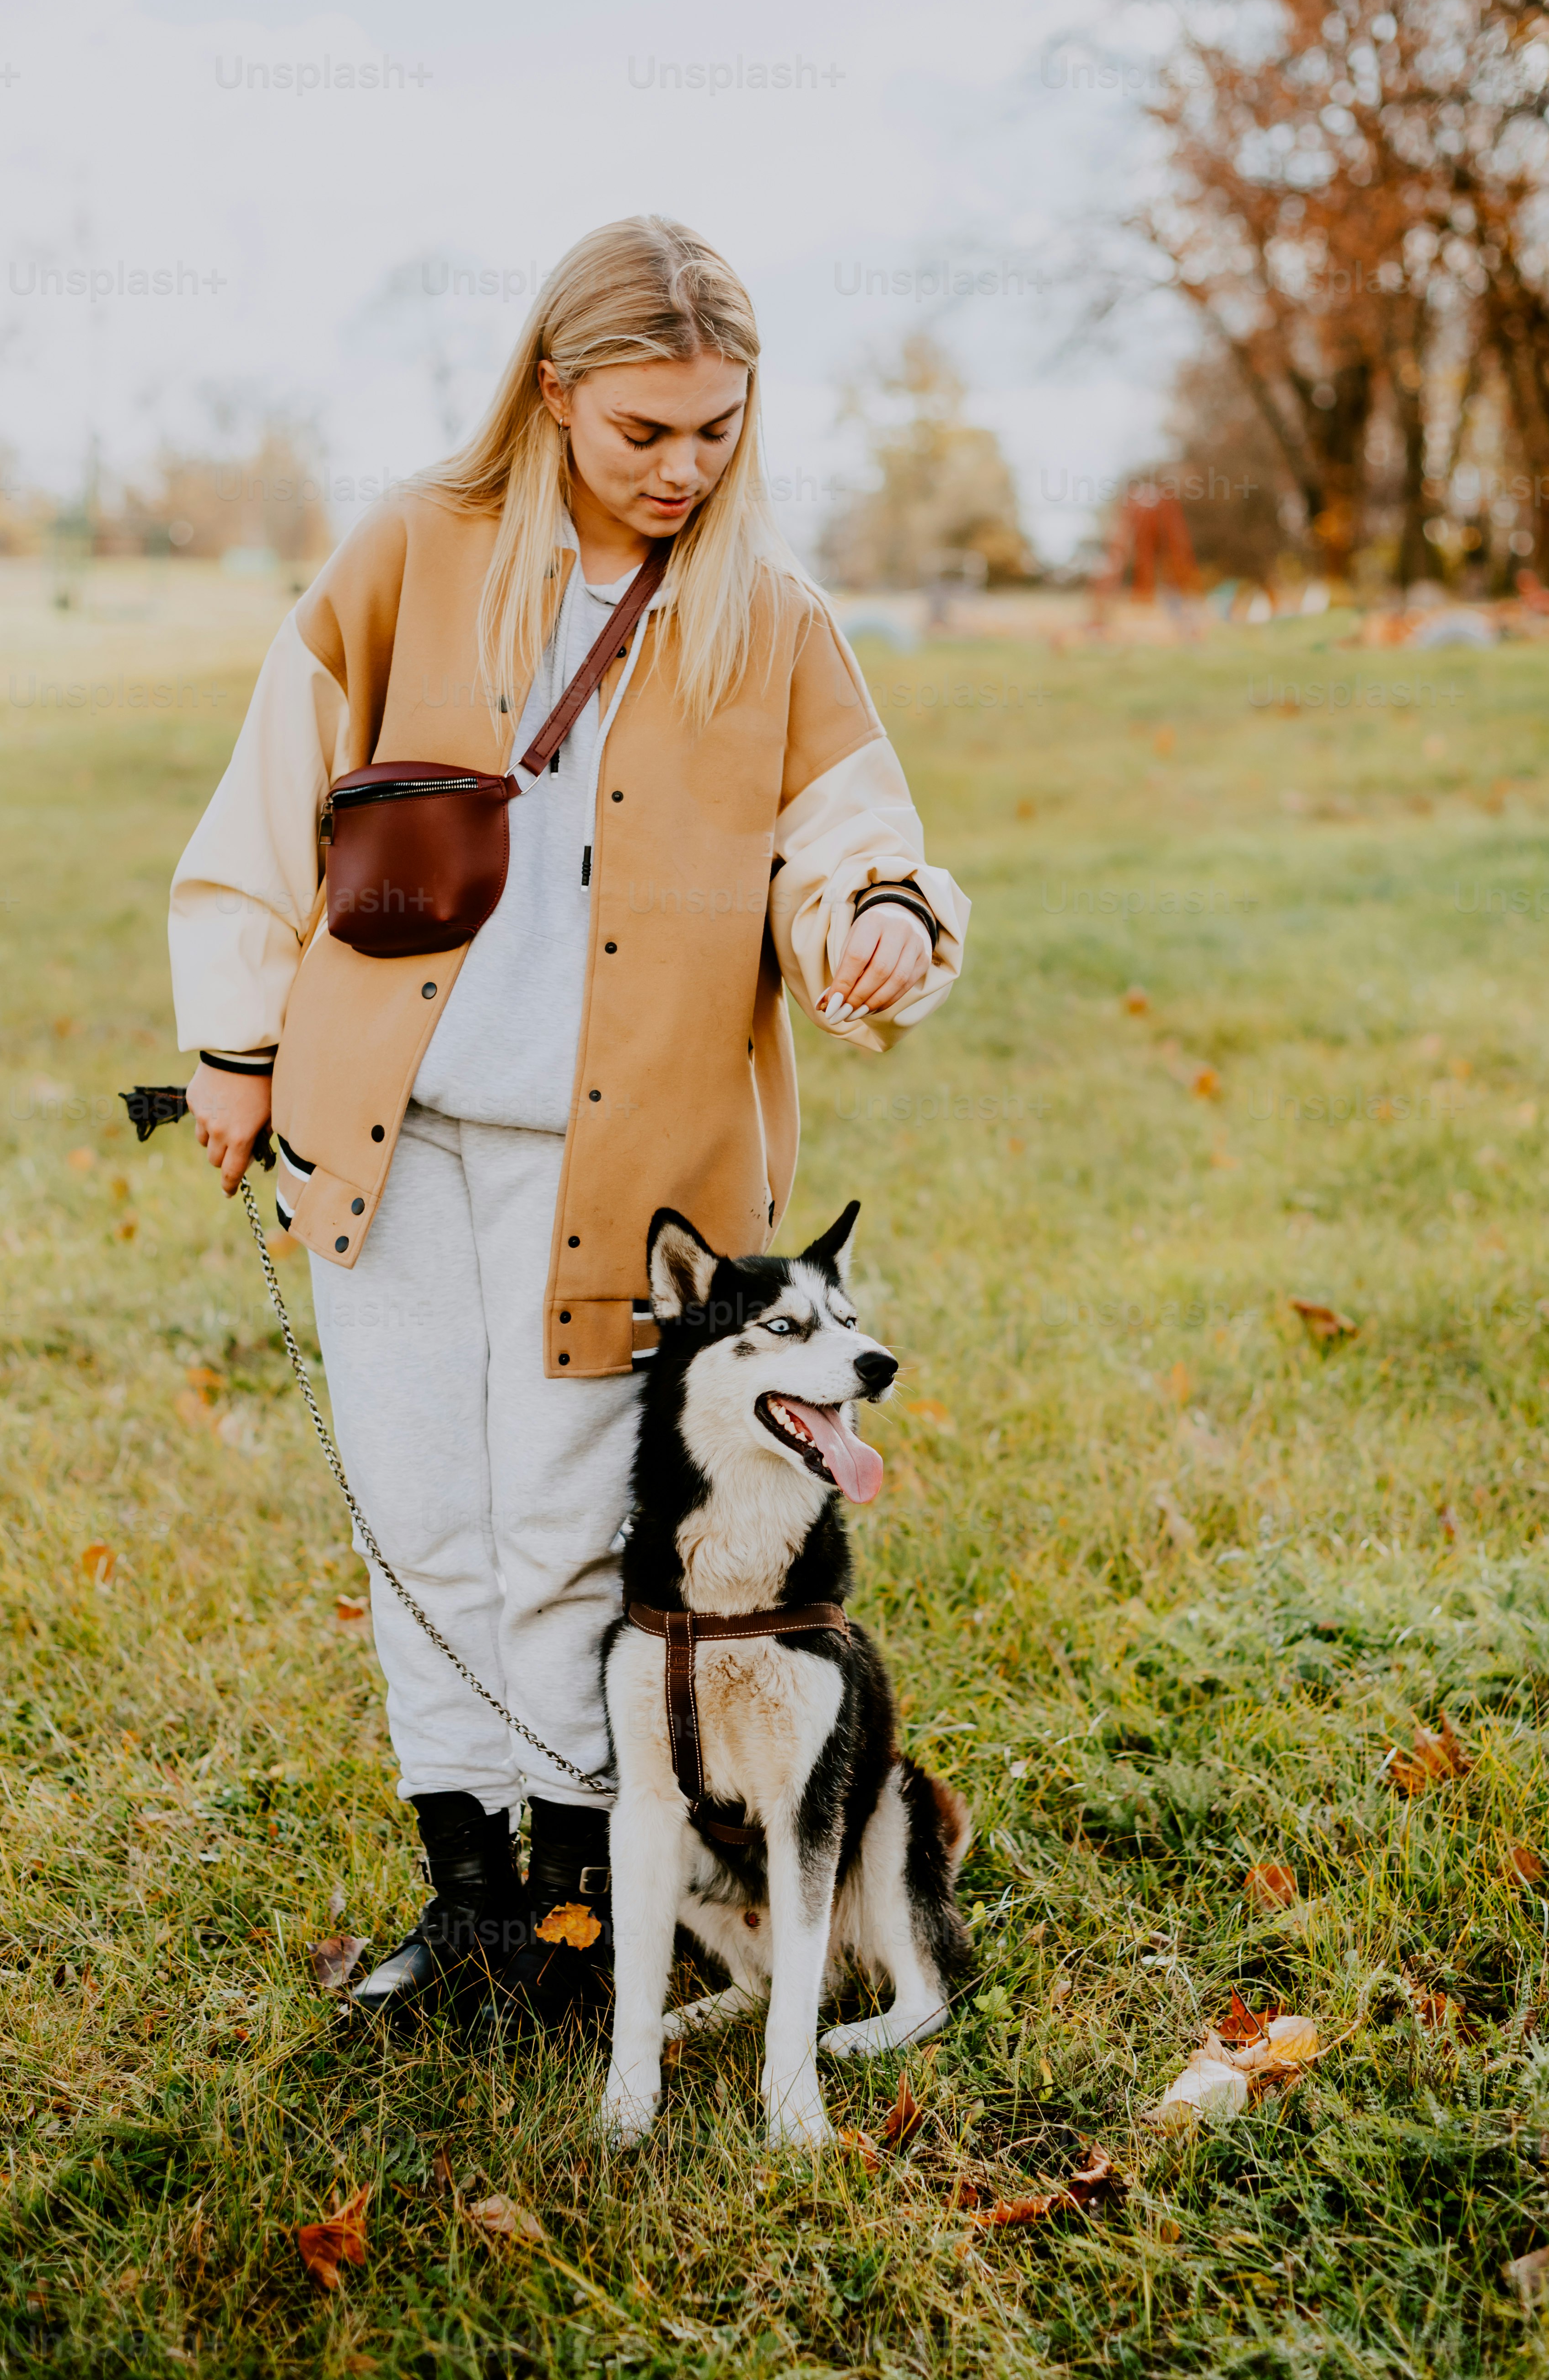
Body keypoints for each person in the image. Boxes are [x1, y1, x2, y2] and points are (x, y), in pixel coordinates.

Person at [167, 215, 968, 2035]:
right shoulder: (411, 552)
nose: (683, 470)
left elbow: (863, 840)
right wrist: (231, 1045)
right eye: (643, 434)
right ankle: (464, 1895)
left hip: (617, 1172)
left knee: (553, 1533)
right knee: (416, 1524)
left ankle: (576, 1908)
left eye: (716, 431)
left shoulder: (772, 623)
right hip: (385, 1130)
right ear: (552, 394)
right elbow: (271, 789)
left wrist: (885, 921)